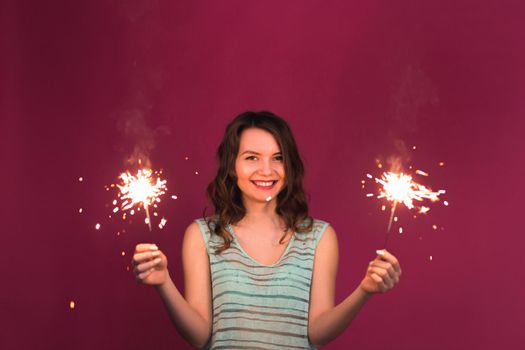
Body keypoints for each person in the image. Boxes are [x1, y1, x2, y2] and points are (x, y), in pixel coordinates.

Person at [132, 111, 402, 349]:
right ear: (232, 166)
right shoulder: (202, 235)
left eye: (278, 158)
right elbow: (199, 336)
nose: (267, 170)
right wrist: (164, 283)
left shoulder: (319, 237)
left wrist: (365, 290)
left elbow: (317, 334)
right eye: (252, 157)